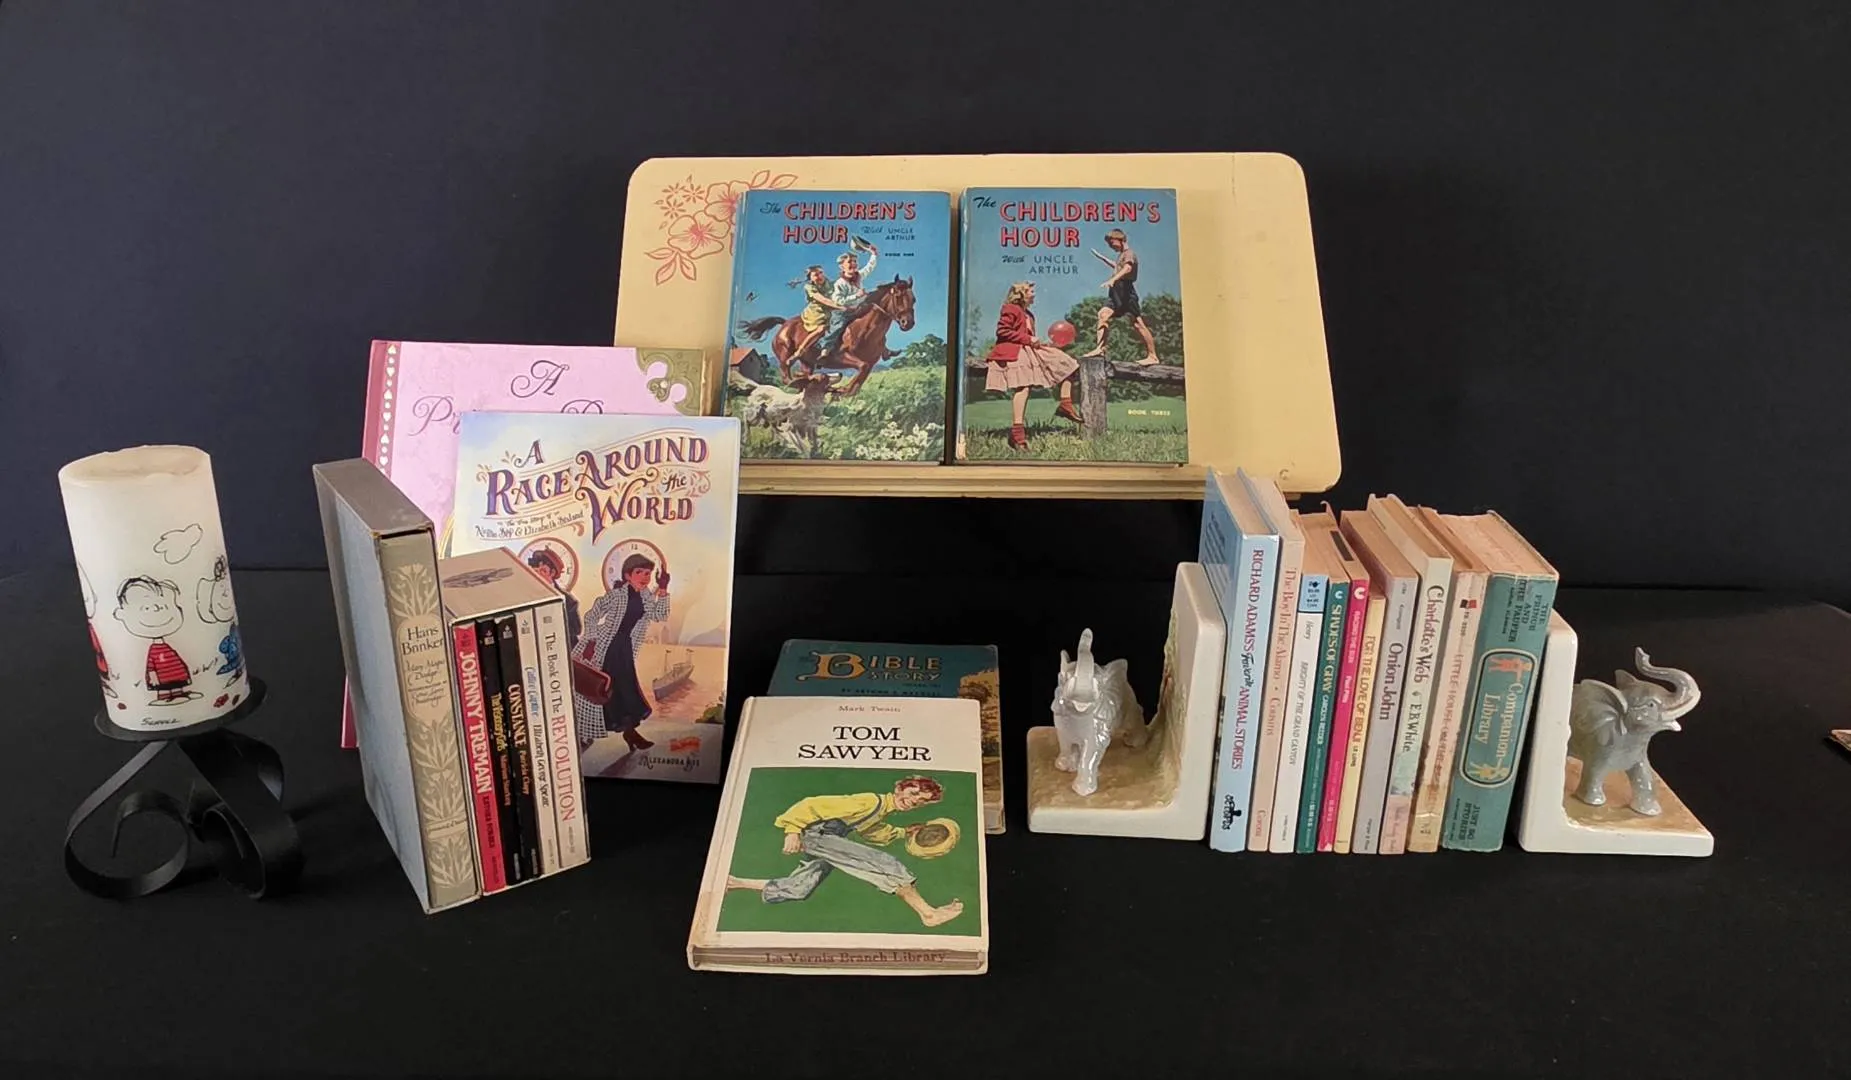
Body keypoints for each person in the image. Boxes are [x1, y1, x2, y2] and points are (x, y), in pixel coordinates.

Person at [724, 776, 965, 928]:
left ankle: (734, 883)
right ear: (900, 788)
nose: (914, 801)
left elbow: (872, 831)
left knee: (801, 888)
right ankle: (928, 914)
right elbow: (811, 804)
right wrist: (793, 831)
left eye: (920, 801)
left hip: (830, 840)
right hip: (818, 835)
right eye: (912, 794)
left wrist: (903, 832)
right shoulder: (870, 801)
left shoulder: (881, 810)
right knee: (885, 864)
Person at [572, 553, 669, 753]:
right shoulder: (616, 596)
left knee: (625, 690)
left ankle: (630, 733)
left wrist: (663, 589)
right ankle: (583, 735)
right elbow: (592, 615)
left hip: (624, 648)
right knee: (595, 690)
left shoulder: (645, 597)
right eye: (639, 572)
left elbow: (660, 615)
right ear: (627, 575)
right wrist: (592, 637)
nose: (644, 577)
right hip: (603, 646)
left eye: (648, 573)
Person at [985, 280, 1082, 451]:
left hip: (1028, 349)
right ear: (1021, 294)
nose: (1034, 294)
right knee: (1023, 387)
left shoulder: (1029, 314)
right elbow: (1002, 332)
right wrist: (1029, 339)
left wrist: (1040, 343)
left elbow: (1028, 336)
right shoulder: (1010, 308)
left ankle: (1065, 404)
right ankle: (1017, 435)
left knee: (1068, 363)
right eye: (1030, 291)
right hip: (1014, 350)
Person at [113, 576, 198, 705]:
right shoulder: (154, 650)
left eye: (163, 607)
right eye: (146, 608)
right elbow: (151, 665)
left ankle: (179, 694)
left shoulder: (166, 647)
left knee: (176, 684)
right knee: (164, 687)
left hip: (174, 673)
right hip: (162, 676)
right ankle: (165, 697)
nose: (156, 611)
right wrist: (153, 676)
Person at [1082, 227, 1161, 366]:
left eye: (1112, 243)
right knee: (1103, 315)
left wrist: (1113, 280)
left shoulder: (1129, 253)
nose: (1111, 246)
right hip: (1116, 292)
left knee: (1137, 324)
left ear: (1121, 239)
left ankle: (1153, 356)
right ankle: (1100, 349)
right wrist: (1102, 258)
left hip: (1126, 292)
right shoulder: (1122, 255)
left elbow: (1127, 268)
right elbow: (1117, 266)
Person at [816, 243, 877, 358]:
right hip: (844, 312)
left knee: (875, 319)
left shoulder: (859, 276)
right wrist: (856, 296)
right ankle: (825, 348)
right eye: (849, 262)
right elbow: (838, 300)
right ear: (842, 266)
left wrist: (873, 254)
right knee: (837, 327)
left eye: (855, 261)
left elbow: (869, 267)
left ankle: (883, 348)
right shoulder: (840, 283)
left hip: (859, 308)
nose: (853, 264)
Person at [525, 548, 582, 645]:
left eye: (543, 571)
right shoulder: (527, 597)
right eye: (535, 571)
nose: (538, 575)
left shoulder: (568, 601)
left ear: (552, 573)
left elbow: (576, 629)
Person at [790, 264, 841, 361]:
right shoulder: (809, 287)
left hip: (831, 312)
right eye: (816, 275)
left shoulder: (830, 284)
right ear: (811, 278)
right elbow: (824, 300)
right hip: (816, 314)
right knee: (821, 329)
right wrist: (841, 307)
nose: (819, 276)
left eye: (821, 273)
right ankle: (800, 351)